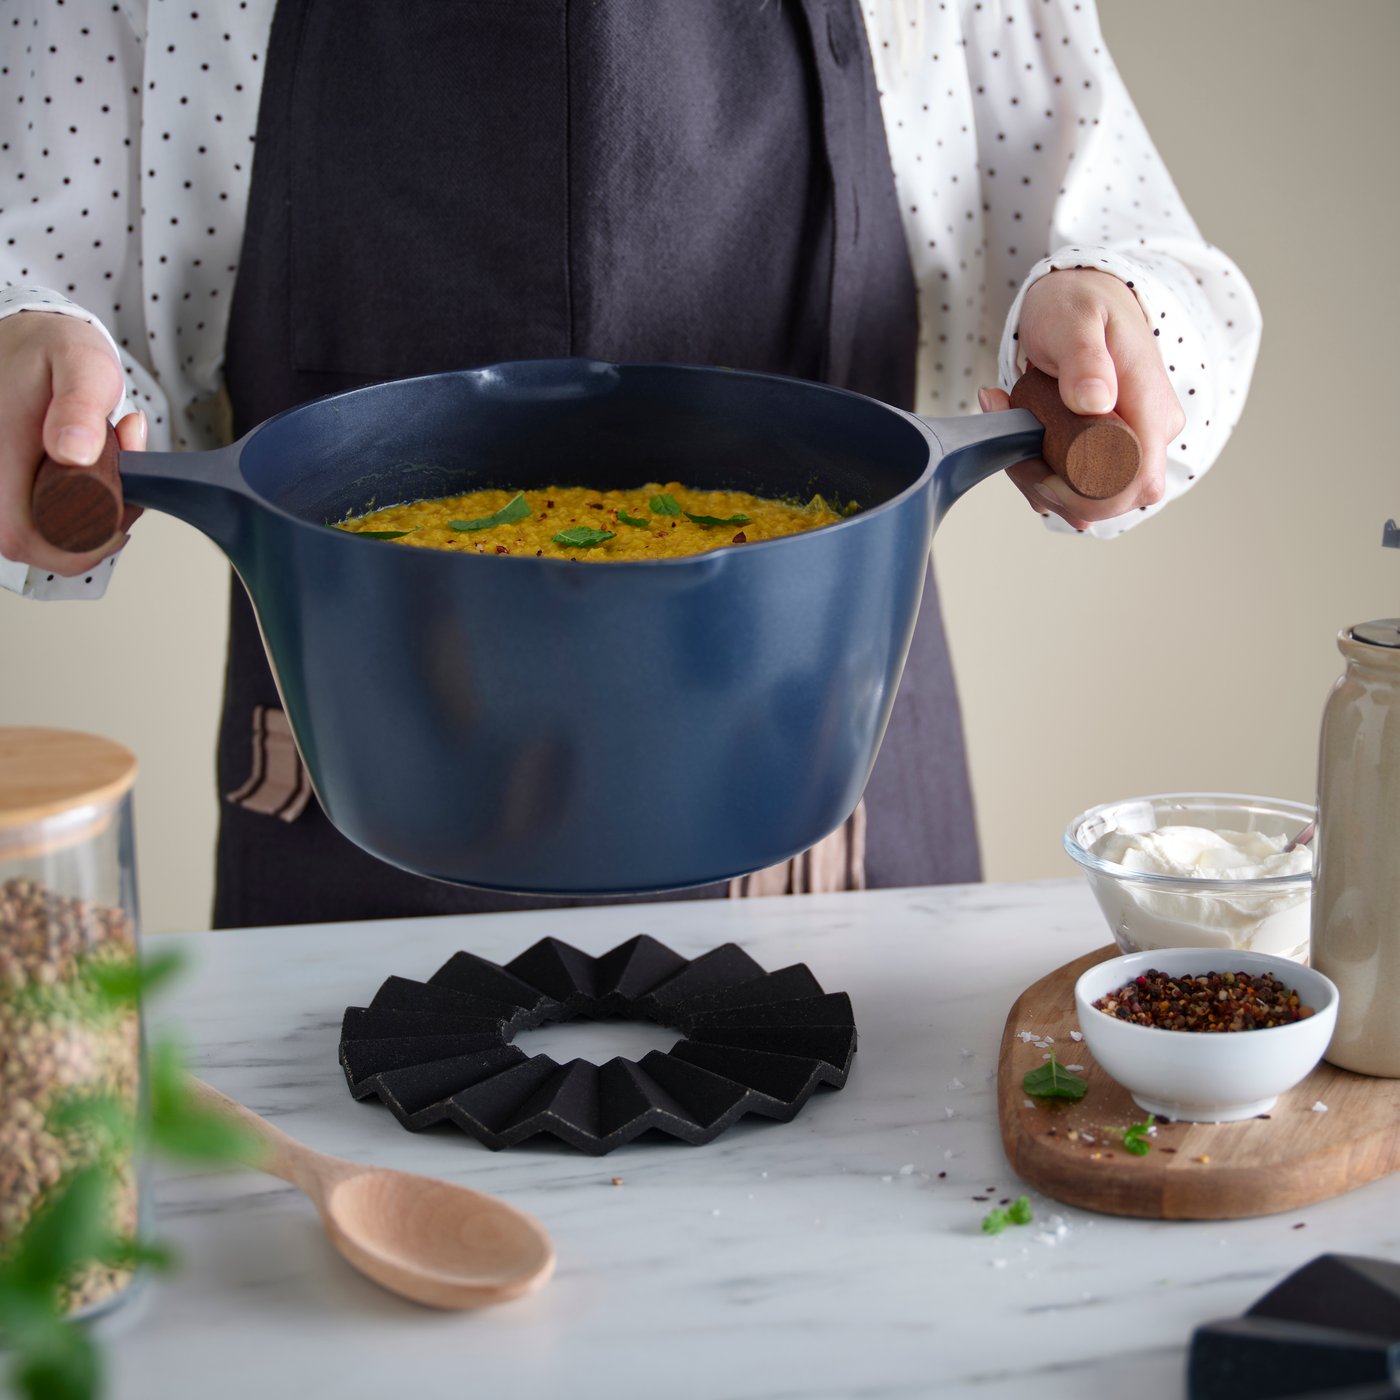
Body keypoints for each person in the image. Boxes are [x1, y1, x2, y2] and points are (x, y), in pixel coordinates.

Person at [0, 0, 1260, 927]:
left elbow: (1127, 251)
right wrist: (33, 363)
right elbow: (33, 267)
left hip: (835, 857)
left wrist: (1114, 321)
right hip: (356, 843)